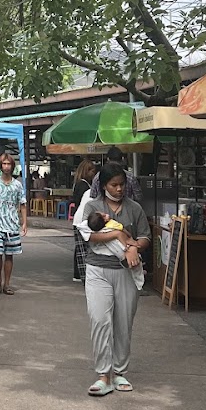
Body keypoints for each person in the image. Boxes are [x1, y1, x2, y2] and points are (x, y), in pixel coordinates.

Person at [74, 162, 150, 396]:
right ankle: (102, 375)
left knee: (123, 322)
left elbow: (146, 236)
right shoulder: (92, 207)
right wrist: (117, 234)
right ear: (104, 185)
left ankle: (119, 372)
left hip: (125, 271)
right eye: (113, 185)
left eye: (122, 184)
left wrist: (135, 246)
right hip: (98, 270)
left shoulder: (134, 208)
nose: (119, 189)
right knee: (99, 320)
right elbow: (89, 236)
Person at [0, 153, 28, 295]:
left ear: (12, 166)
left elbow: (22, 204)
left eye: (8, 164)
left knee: (9, 254)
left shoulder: (17, 185)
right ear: (0, 166)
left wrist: (24, 223)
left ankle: (7, 283)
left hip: (12, 224)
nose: (6, 166)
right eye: (3, 164)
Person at [71, 158, 97, 282]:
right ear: (87, 171)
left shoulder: (81, 184)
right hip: (82, 219)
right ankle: (80, 274)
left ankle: (79, 273)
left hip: (80, 218)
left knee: (80, 248)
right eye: (92, 171)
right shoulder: (83, 185)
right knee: (82, 249)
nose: (93, 174)